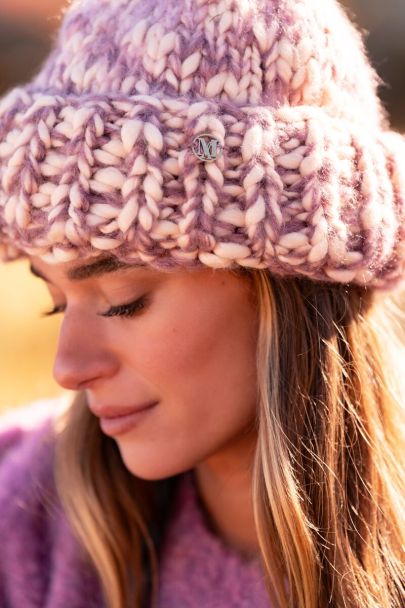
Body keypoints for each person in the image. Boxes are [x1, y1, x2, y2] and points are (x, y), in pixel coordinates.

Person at [0, 0, 404, 607]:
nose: (68, 368)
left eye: (122, 301)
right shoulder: (22, 517)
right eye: (56, 303)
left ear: (288, 285)